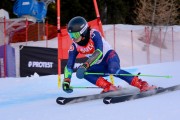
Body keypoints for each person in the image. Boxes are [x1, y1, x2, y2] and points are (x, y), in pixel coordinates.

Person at [62, 16, 156, 93]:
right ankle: (109, 87)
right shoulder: (74, 46)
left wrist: (86, 65)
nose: (73, 39)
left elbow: (99, 52)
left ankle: (142, 84)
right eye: (71, 36)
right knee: (84, 73)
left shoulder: (94, 34)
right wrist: (66, 81)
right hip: (99, 64)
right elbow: (69, 65)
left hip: (110, 57)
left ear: (83, 32)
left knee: (113, 70)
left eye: (75, 36)